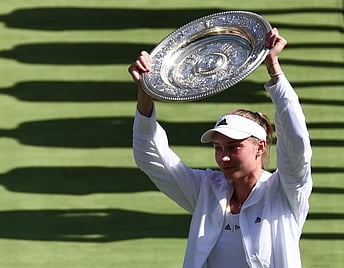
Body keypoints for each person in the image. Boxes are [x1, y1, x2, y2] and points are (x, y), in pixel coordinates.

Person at [129, 28, 312, 267]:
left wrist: (274, 69)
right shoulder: (207, 189)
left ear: (260, 147)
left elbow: (296, 142)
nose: (223, 157)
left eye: (233, 147)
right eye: (218, 148)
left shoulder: (286, 191)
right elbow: (150, 156)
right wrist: (146, 91)